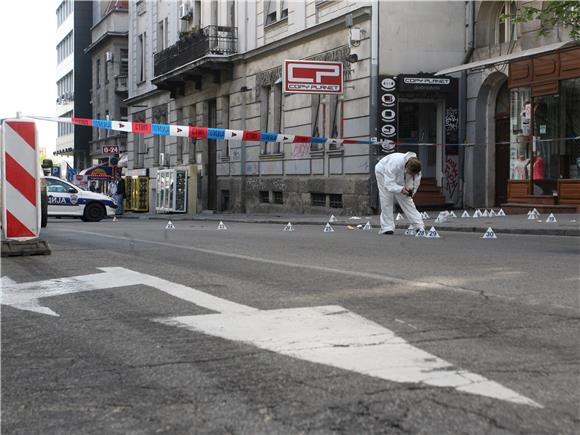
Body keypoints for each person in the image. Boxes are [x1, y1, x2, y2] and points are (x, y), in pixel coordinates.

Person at [375, 152, 424, 235]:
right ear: (406, 168)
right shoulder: (394, 164)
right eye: (411, 174)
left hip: (400, 174)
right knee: (386, 199)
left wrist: (410, 192)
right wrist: (401, 189)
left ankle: (418, 226)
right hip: (382, 171)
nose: (413, 175)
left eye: (414, 175)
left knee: (407, 200)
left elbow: (415, 183)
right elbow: (388, 184)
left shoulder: (416, 171)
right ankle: (387, 227)